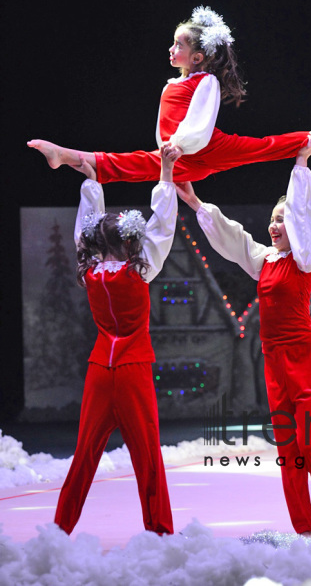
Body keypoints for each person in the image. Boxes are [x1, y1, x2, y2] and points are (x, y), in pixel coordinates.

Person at [175, 136, 311, 538]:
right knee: (288, 451)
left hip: (305, 360)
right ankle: (304, 528)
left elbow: (304, 213)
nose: (274, 225)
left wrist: (301, 163)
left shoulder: (307, 259)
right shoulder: (265, 261)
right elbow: (234, 240)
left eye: (283, 219)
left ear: (299, 225)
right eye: (272, 220)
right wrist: (194, 203)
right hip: (274, 363)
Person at [27, 5, 311, 184]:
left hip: (206, 147)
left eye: (179, 44)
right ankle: (68, 156)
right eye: (173, 42)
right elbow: (163, 129)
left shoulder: (204, 81)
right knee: (132, 164)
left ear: (197, 57)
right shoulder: (171, 85)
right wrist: (170, 151)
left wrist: (178, 145)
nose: (171, 48)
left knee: (269, 147)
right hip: (182, 157)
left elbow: (199, 121)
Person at [53, 146, 178, 537]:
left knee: (84, 456)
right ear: (128, 244)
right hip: (133, 367)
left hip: (99, 370)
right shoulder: (138, 271)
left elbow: (82, 229)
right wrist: (167, 173)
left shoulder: (89, 270)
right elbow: (163, 227)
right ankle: (159, 531)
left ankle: (61, 528)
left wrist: (92, 181)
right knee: (147, 457)